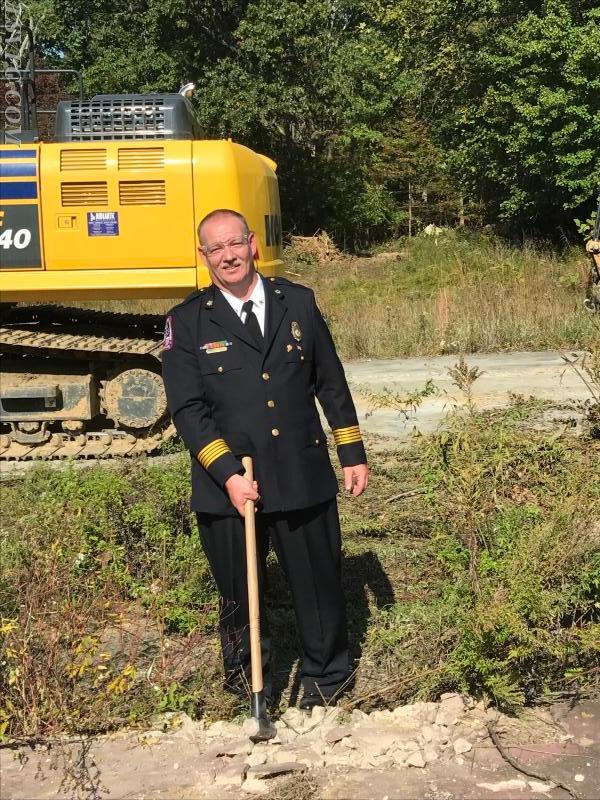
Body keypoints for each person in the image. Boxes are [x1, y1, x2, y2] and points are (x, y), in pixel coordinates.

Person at [161, 209, 368, 710]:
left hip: (300, 472)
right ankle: (249, 683)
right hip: (226, 485)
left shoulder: (297, 302)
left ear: (253, 244)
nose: (228, 255)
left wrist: (351, 451)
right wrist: (228, 474)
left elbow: (330, 381)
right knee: (238, 595)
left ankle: (327, 678)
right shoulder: (186, 322)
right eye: (216, 248)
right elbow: (187, 409)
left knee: (318, 582)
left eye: (235, 243)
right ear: (203, 256)